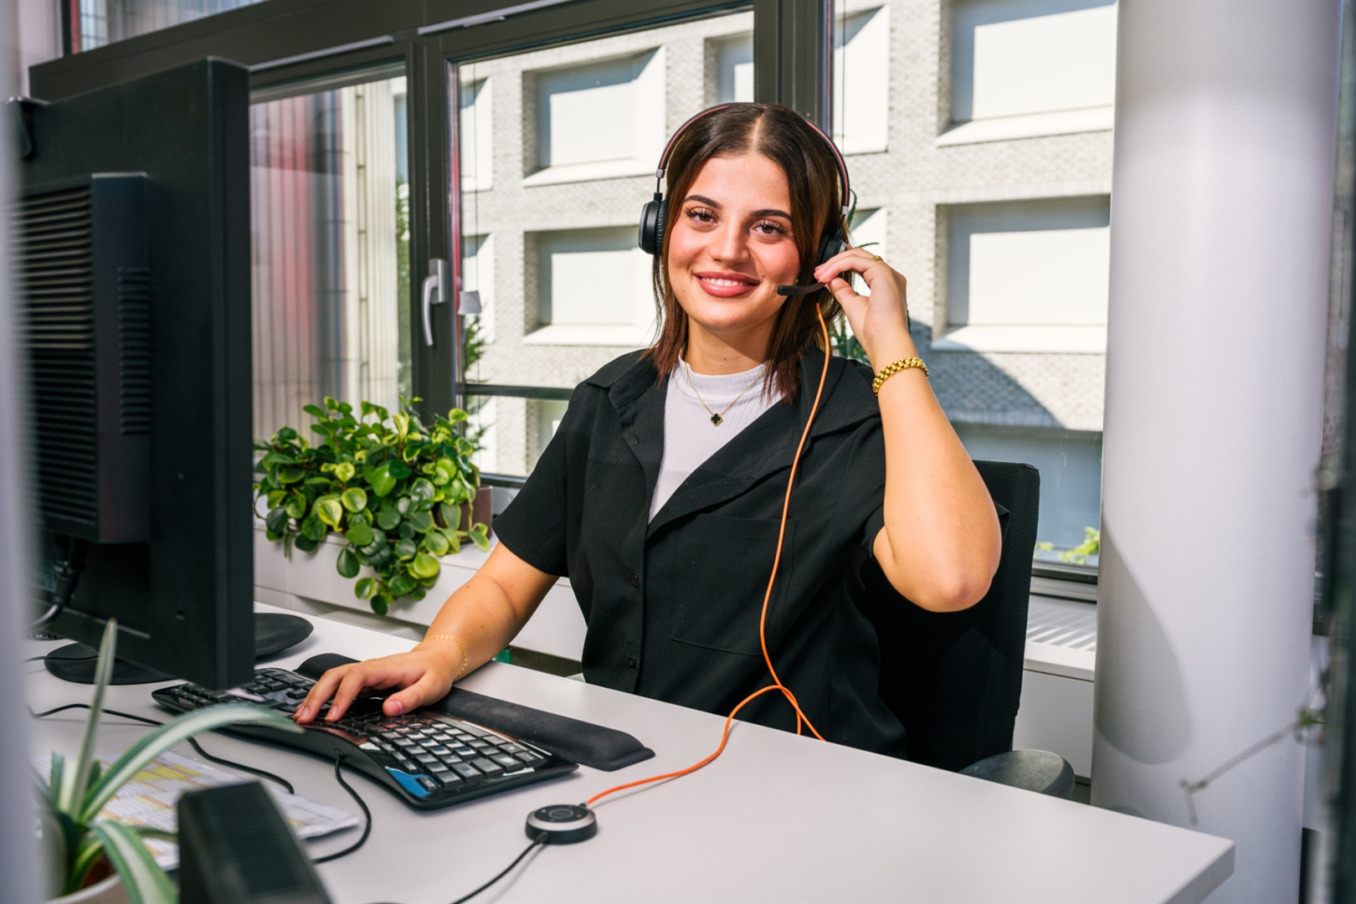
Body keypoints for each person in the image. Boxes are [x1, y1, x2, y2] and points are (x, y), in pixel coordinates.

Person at [295, 103, 1002, 757]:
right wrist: (440, 652)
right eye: (701, 215)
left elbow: (953, 580)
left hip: (792, 788)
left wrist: (889, 347)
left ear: (815, 257)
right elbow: (507, 586)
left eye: (769, 227)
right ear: (660, 229)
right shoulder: (609, 400)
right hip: (615, 763)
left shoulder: (858, 415)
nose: (727, 250)